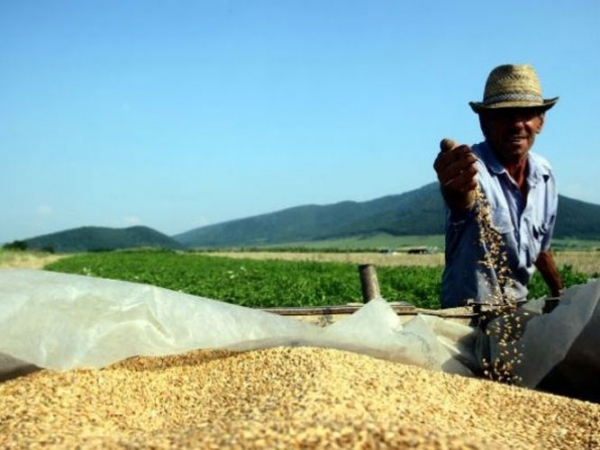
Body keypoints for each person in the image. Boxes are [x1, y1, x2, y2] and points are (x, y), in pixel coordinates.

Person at [433, 64, 564, 309]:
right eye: (505, 115)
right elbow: (462, 199)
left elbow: (541, 247)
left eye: (526, 114)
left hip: (517, 307)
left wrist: (561, 293)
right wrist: (454, 186)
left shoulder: (544, 174)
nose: (517, 124)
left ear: (540, 121)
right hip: (469, 313)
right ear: (485, 123)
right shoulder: (471, 167)